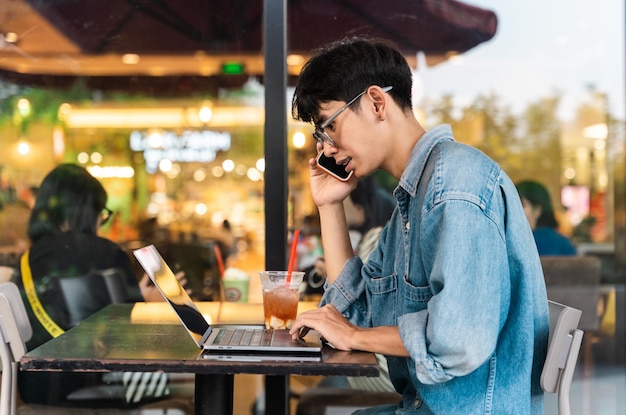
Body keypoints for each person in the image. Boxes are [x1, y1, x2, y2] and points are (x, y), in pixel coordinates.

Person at [289, 37, 549, 414]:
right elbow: (355, 315)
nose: (325, 149)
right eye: (320, 136)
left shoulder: (454, 187)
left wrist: (355, 335)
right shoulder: (414, 200)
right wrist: (330, 206)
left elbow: (457, 341)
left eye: (328, 126)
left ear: (376, 102)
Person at [10, 163, 172, 406]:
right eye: (102, 213)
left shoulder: (26, 261)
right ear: (88, 211)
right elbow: (129, 339)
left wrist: (136, 298)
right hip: (102, 386)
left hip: (37, 389)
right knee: (191, 382)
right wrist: (150, 305)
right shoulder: (106, 254)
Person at [516, 180, 577, 256]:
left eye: (522, 205)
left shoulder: (518, 243)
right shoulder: (563, 242)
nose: (514, 210)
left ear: (537, 210)